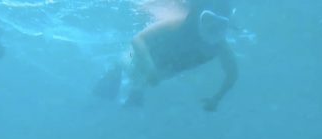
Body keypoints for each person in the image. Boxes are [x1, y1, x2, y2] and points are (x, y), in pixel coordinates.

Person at [93, 0, 238, 111]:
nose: (212, 27)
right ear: (198, 15)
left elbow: (232, 74)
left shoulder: (221, 46)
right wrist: (150, 68)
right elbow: (138, 40)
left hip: (167, 67)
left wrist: (217, 98)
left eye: (220, 24)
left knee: (149, 79)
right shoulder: (178, 24)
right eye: (208, 19)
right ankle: (116, 70)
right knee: (130, 65)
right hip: (143, 57)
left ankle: (137, 90)